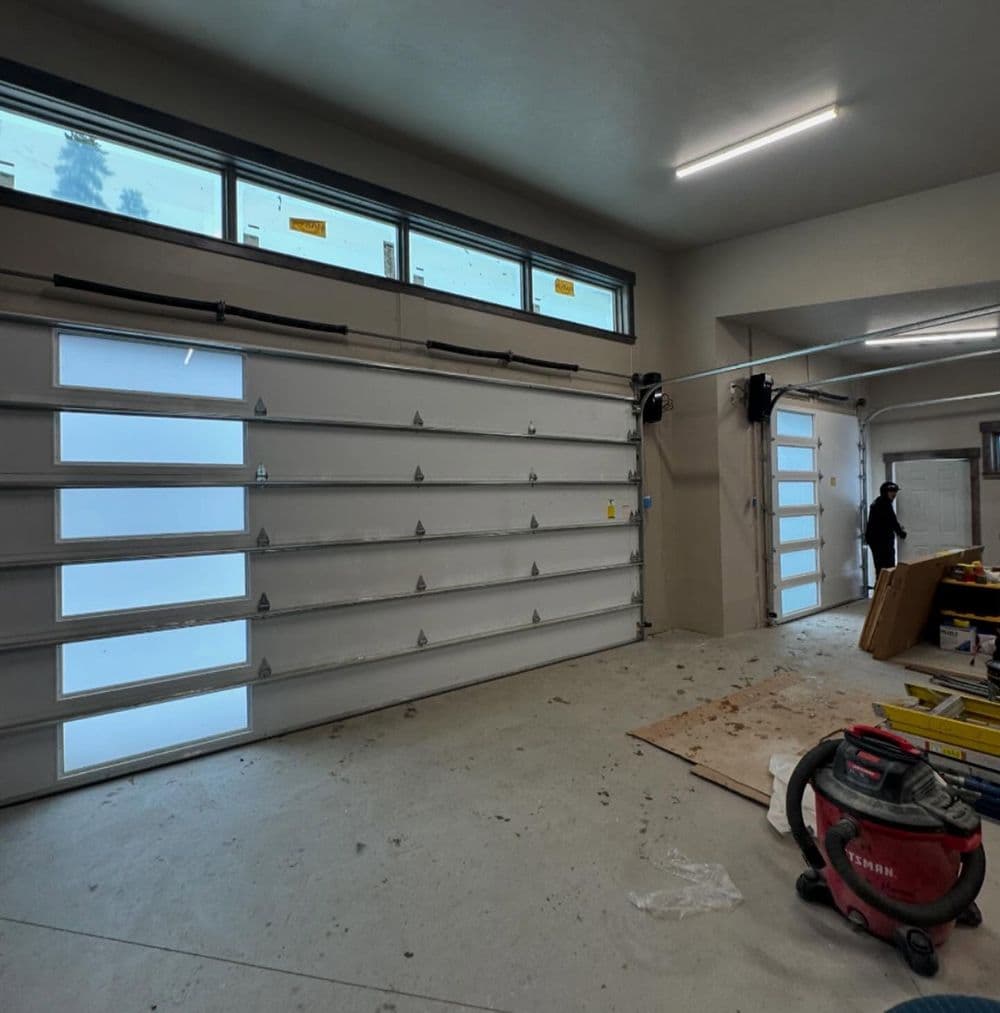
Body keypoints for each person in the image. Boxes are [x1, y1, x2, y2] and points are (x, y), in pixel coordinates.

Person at [865, 481, 907, 577]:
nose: (894, 494)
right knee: (887, 568)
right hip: (882, 541)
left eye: (895, 491)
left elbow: (887, 521)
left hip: (876, 540)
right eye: (891, 491)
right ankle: (884, 589)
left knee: (880, 568)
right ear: (885, 492)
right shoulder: (884, 504)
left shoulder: (878, 502)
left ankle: (881, 589)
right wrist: (901, 533)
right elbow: (892, 520)